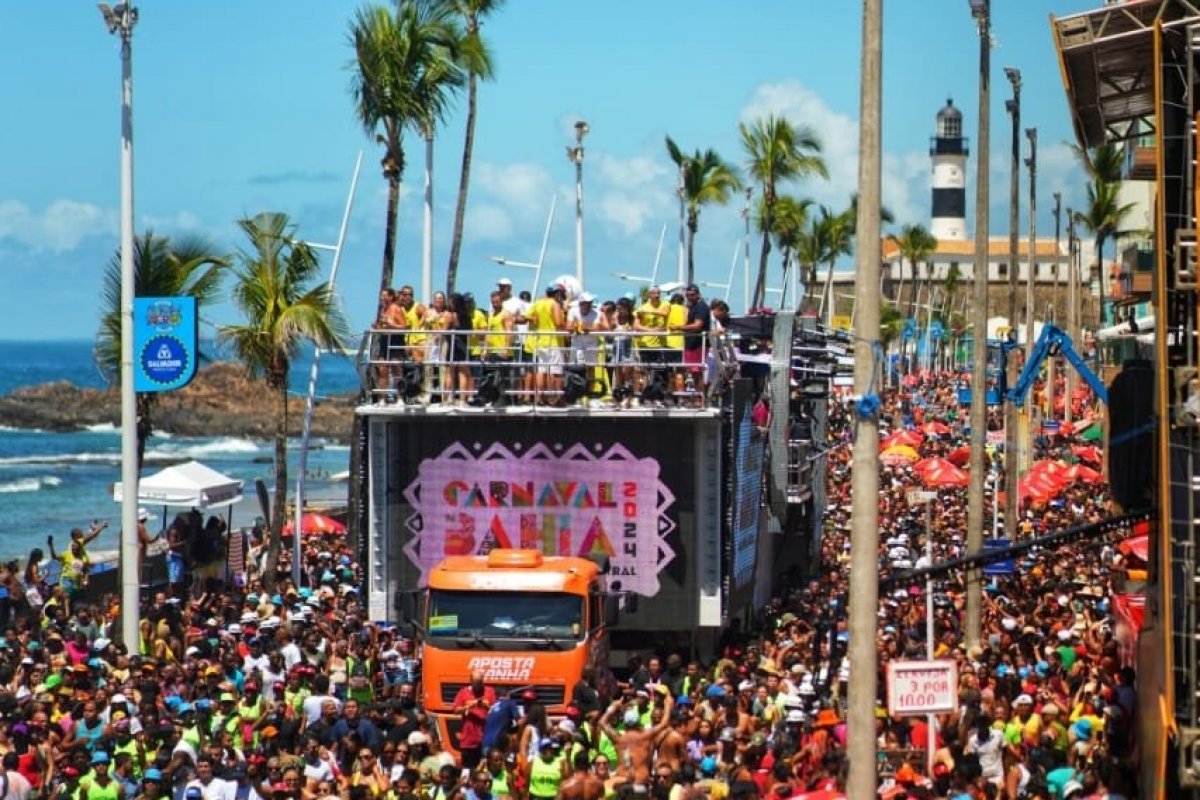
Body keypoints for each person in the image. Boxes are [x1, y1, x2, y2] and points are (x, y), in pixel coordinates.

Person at [452, 669, 497, 770]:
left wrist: (486, 706)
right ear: (471, 682)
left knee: (486, 769)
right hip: (469, 740)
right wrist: (470, 706)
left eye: (480, 683)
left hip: (485, 738)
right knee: (468, 769)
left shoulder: (490, 692)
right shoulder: (463, 692)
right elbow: (455, 710)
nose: (479, 686)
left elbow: (496, 710)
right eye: (476, 684)